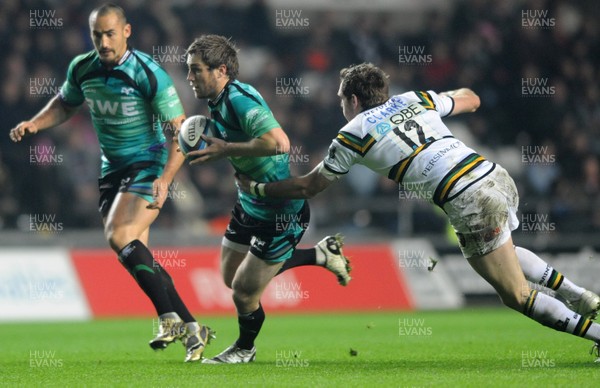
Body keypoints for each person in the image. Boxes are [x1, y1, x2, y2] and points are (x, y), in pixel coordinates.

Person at [236, 62, 600, 361]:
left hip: (466, 197)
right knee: (505, 250)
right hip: (494, 175)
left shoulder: (352, 134)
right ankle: (578, 295)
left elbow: (307, 187)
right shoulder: (414, 99)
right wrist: (453, 97)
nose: (340, 107)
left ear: (353, 99)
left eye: (341, 100)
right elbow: (471, 99)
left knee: (514, 295)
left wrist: (257, 188)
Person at [8, 3, 212, 363]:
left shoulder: (149, 73)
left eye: (110, 33)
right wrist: (35, 124)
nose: (103, 41)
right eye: (97, 35)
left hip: (147, 165)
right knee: (134, 254)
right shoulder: (82, 67)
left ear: (127, 31)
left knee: (119, 237)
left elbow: (182, 132)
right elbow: (65, 103)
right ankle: (193, 328)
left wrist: (166, 179)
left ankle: (168, 319)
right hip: (111, 172)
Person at [183, 34, 352, 364]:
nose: (189, 77)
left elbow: (279, 143)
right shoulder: (216, 101)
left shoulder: (240, 99)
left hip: (280, 211)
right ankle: (319, 255)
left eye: (195, 70)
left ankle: (245, 349)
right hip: (248, 203)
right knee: (231, 277)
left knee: (244, 292)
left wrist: (227, 150)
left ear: (221, 70)